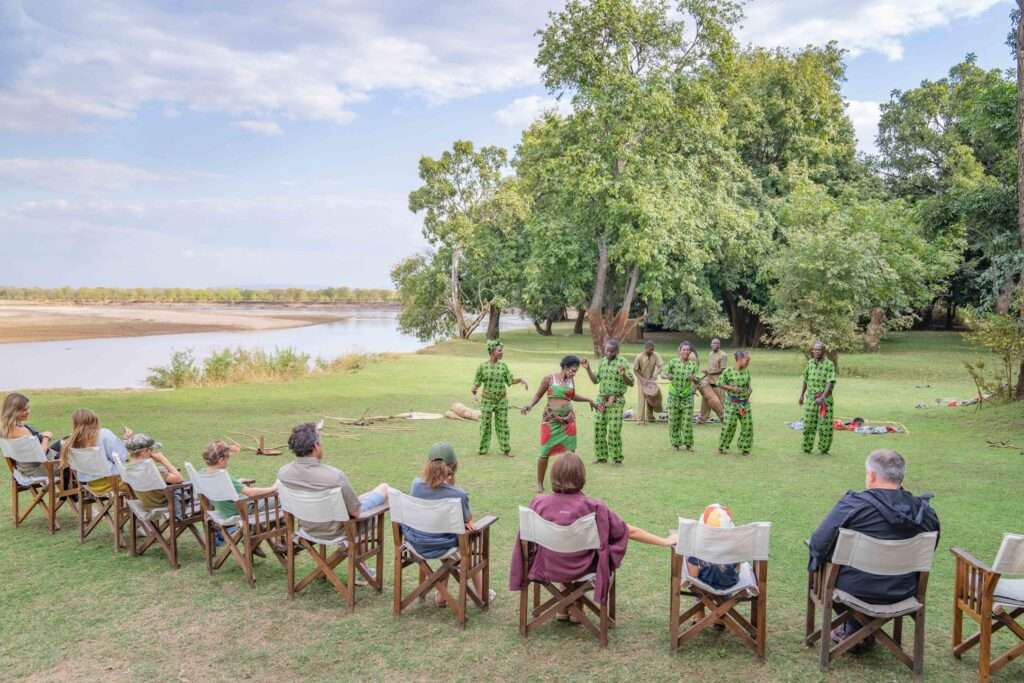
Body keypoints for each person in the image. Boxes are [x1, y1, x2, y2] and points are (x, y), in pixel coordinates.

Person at [509, 452, 676, 619]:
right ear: (582, 476)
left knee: (564, 549)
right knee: (588, 555)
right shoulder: (594, 507)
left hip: (546, 566)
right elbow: (628, 531)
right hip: (583, 568)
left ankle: (565, 606)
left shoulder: (538, 503)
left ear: (553, 475)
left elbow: (526, 539)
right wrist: (664, 541)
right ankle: (575, 606)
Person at [808, 449, 939, 648]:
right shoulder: (926, 513)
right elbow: (930, 550)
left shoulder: (853, 506)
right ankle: (857, 628)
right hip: (903, 588)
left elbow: (819, 544)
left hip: (853, 589)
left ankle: (856, 628)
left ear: (871, 475)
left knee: (820, 562)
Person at [403, 442, 492, 607]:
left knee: (450, 540)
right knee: (467, 540)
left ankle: (441, 595)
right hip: (445, 546)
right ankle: (481, 593)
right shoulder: (458, 494)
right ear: (453, 467)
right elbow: (468, 520)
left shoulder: (415, 486)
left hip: (416, 543)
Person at [276, 422, 389, 538]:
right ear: (316, 447)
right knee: (384, 489)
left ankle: (340, 554)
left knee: (363, 499)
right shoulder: (334, 476)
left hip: (306, 528)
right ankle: (349, 552)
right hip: (339, 531)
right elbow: (356, 512)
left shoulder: (283, 473)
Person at [521, 355, 598, 492]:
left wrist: (588, 399)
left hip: (568, 422)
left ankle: (570, 482)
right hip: (551, 421)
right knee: (544, 452)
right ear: (564, 367)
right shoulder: (549, 379)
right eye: (572, 370)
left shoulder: (571, 381)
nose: (574, 373)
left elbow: (571, 396)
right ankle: (539, 483)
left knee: (570, 454)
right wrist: (529, 405)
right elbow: (538, 395)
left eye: (575, 371)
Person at [471, 339, 528, 458]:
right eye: (500, 351)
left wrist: (521, 380)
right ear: (492, 352)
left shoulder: (503, 366)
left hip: (501, 400)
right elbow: (477, 382)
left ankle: (506, 449)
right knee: (485, 424)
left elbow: (509, 381)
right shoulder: (482, 367)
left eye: (502, 350)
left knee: (503, 425)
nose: (502, 353)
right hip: (487, 400)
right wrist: (474, 388)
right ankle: (482, 449)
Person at [582, 339, 633, 465]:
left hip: (616, 400)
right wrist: (588, 369)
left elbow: (631, 383)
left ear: (617, 351)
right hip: (601, 400)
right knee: (599, 428)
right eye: (607, 351)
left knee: (614, 430)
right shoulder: (603, 362)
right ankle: (601, 457)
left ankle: (616, 458)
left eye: (612, 351)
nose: (609, 353)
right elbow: (595, 380)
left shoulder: (623, 362)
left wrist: (623, 375)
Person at [202, 440, 278, 520]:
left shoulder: (204, 474)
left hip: (225, 511)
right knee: (280, 499)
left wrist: (237, 482)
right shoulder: (222, 477)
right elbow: (251, 493)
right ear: (221, 460)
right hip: (243, 511)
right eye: (228, 457)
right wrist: (273, 488)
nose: (228, 460)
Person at [59, 409, 127, 494]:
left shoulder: (70, 442)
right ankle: (135, 506)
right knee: (142, 480)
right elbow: (122, 457)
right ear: (95, 420)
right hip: (115, 483)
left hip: (92, 486)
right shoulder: (104, 434)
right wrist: (127, 440)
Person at [1, 392, 63, 479]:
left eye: (28, 408)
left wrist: (40, 435)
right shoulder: (21, 431)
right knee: (73, 454)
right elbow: (40, 454)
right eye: (24, 410)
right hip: (42, 468)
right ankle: (75, 491)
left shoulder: (5, 429)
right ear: (13, 411)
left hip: (25, 468)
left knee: (66, 441)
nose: (28, 412)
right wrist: (46, 437)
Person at [123, 432, 182, 511]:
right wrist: (163, 459)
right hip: (164, 504)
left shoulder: (128, 467)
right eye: (151, 450)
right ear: (144, 451)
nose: (153, 452)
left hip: (145, 503)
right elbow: (178, 478)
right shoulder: (153, 471)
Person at [799, 341, 837, 455]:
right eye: (814, 349)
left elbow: (830, 382)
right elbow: (806, 379)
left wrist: (823, 397)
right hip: (811, 398)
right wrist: (801, 395)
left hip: (824, 400)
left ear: (823, 351)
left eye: (818, 350)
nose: (816, 351)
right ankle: (807, 448)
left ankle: (824, 449)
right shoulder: (810, 363)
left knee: (825, 427)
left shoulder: (829, 364)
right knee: (808, 425)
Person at [662, 342, 700, 451]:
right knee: (674, 421)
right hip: (673, 396)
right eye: (684, 350)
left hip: (687, 396)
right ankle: (675, 444)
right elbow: (663, 373)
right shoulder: (673, 362)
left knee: (687, 422)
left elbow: (698, 380)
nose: (686, 352)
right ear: (679, 351)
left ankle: (689, 444)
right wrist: (667, 376)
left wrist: (693, 378)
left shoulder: (693, 365)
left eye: (688, 350)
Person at [718, 351, 753, 456]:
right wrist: (732, 388)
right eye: (747, 360)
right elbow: (719, 383)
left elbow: (749, 385)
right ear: (740, 359)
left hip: (744, 404)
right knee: (729, 425)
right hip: (732, 403)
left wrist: (750, 390)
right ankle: (722, 447)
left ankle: (745, 448)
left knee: (747, 425)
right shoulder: (728, 371)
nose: (748, 363)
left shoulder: (746, 371)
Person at [697, 338, 728, 424]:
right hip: (708, 381)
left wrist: (710, 372)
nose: (715, 345)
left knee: (721, 403)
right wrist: (706, 373)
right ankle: (702, 418)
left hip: (718, 383)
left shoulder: (723, 355)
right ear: (711, 345)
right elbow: (711, 367)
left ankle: (725, 419)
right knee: (706, 400)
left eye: (717, 343)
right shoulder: (710, 354)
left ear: (719, 345)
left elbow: (722, 370)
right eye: (713, 343)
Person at [632, 340, 663, 425]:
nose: (651, 352)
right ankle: (640, 420)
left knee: (652, 397)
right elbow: (635, 370)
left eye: (652, 350)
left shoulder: (655, 355)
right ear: (645, 349)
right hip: (641, 380)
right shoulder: (639, 357)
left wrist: (655, 375)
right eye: (649, 350)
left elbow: (660, 366)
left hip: (651, 380)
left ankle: (650, 417)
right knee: (642, 399)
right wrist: (642, 379)